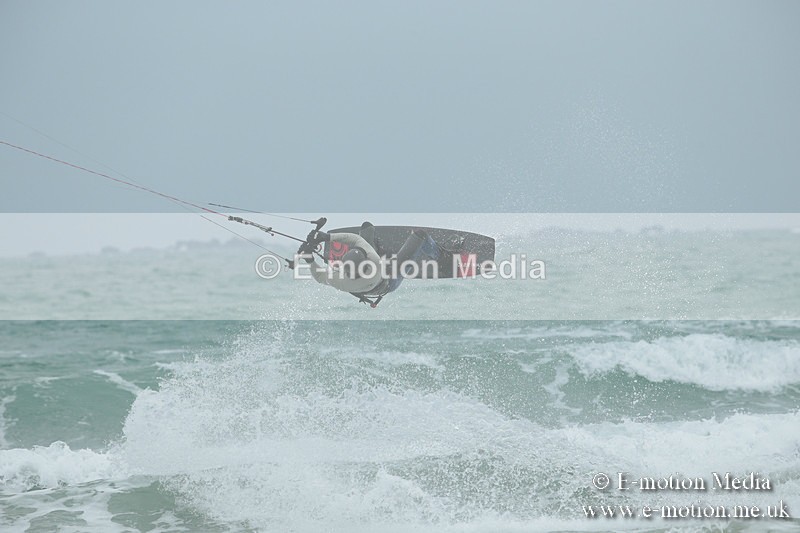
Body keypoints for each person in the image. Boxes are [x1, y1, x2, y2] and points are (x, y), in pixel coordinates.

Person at [297, 222, 441, 307]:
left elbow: (320, 277)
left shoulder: (341, 281)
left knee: (366, 227)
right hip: (389, 281)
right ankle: (440, 255)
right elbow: (355, 240)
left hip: (363, 287)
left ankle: (382, 249)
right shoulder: (373, 260)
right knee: (420, 235)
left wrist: (310, 259)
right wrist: (328, 238)